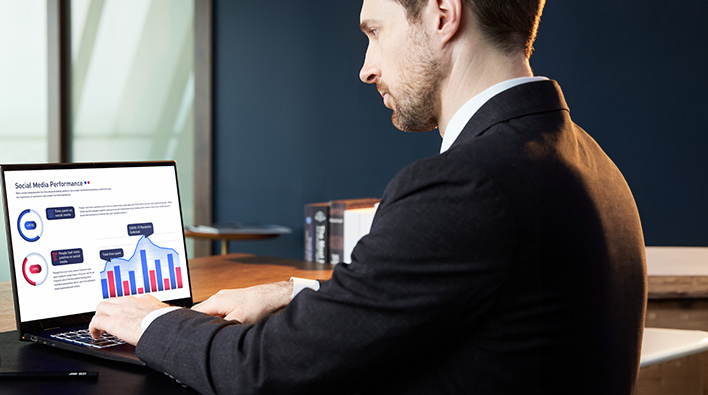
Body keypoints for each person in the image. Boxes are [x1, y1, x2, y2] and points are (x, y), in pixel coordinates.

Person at [89, 0, 647, 393]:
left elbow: (261, 373)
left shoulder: (465, 185)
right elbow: (467, 298)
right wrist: (294, 292)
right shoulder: (594, 165)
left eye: (375, 32)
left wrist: (152, 321)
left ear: (442, 15)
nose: (365, 68)